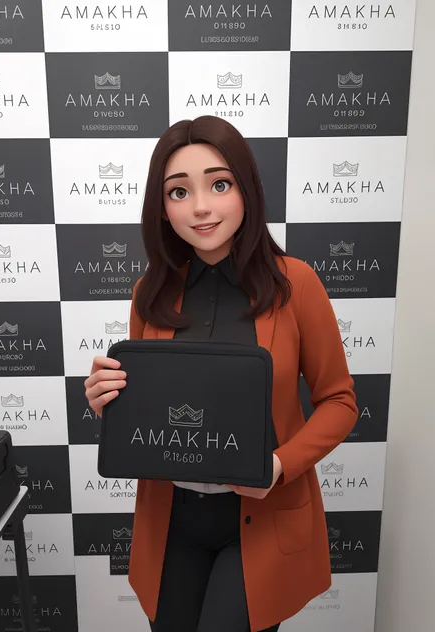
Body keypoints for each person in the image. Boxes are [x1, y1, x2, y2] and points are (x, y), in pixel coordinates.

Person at [84, 115, 359, 632]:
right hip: (172, 522)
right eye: (178, 191)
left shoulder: (296, 284)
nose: (201, 206)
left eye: (219, 183)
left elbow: (340, 402)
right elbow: (152, 406)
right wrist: (108, 398)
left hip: (261, 521)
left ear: (246, 190)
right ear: (162, 209)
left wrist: (276, 466)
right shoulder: (151, 292)